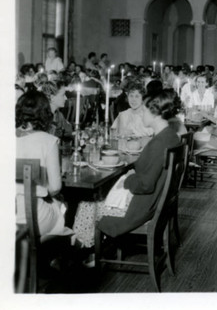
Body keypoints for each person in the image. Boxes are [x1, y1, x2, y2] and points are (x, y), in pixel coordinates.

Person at [73, 89, 182, 248]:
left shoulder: (158, 143)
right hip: (157, 202)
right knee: (104, 192)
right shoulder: (170, 136)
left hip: (140, 208)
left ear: (155, 114)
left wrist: (127, 180)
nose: (141, 114)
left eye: (144, 110)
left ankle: (82, 253)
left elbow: (146, 184)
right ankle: (93, 246)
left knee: (86, 204)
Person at [16, 90, 73, 240]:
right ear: (45, 113)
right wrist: (42, 189)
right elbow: (55, 187)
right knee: (61, 206)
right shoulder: (48, 140)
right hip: (33, 218)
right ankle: (67, 245)